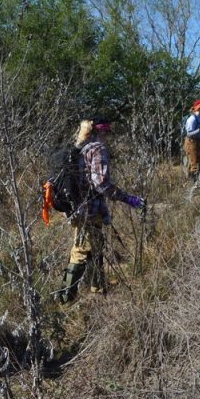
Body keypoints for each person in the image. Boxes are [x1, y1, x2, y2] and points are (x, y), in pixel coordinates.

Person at [57, 116, 145, 303]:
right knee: (81, 251)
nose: (109, 136)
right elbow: (101, 183)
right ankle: (65, 299)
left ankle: (98, 288)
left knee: (95, 247)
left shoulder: (82, 148)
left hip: (78, 208)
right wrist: (128, 199)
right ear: (102, 132)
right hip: (90, 209)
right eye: (108, 132)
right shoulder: (98, 149)